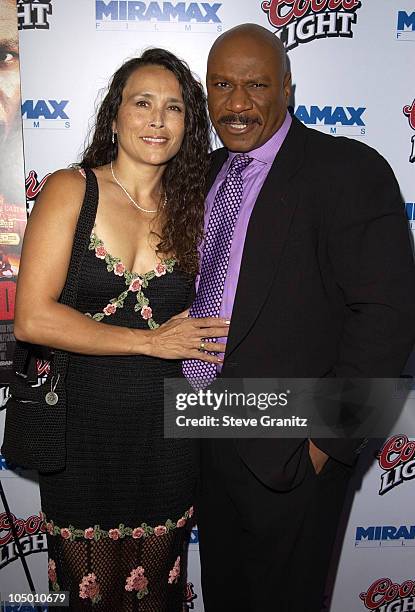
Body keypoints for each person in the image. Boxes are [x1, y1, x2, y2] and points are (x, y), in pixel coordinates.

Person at [186, 24, 415, 612]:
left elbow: (387, 316)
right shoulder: (202, 176)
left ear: (288, 88)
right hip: (202, 434)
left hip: (292, 446)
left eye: (257, 85)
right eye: (222, 85)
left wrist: (327, 443)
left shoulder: (348, 169)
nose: (237, 104)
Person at [13, 48, 228, 611]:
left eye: (175, 108)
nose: (158, 120)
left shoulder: (199, 208)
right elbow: (32, 316)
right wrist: (149, 341)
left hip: (167, 442)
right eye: (143, 103)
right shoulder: (70, 189)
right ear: (115, 116)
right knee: (88, 597)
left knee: (158, 597)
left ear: (189, 125)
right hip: (82, 438)